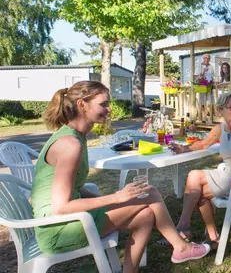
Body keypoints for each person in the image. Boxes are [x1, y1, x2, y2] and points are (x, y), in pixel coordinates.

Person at [31, 81, 210, 273]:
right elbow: (60, 207)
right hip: (58, 229)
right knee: (149, 192)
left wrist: (111, 201)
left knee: (147, 215)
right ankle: (181, 247)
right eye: (103, 104)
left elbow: (73, 187)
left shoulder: (76, 137)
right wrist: (116, 198)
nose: (109, 110)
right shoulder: (70, 144)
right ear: (82, 104)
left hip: (71, 219)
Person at [165, 93, 231, 251]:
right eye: (230, 107)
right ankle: (212, 237)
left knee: (194, 177)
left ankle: (185, 227)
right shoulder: (220, 129)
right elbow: (203, 144)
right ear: (220, 110)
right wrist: (183, 148)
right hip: (227, 176)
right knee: (198, 189)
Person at [199, 54, 214, 121]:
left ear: (209, 59)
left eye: (208, 58)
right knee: (202, 103)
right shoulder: (200, 66)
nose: (206, 59)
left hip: (209, 86)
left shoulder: (211, 66)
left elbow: (213, 76)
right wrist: (203, 71)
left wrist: (213, 82)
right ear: (203, 58)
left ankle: (211, 117)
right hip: (202, 86)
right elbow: (197, 77)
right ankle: (204, 117)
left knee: (210, 102)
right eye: (205, 58)